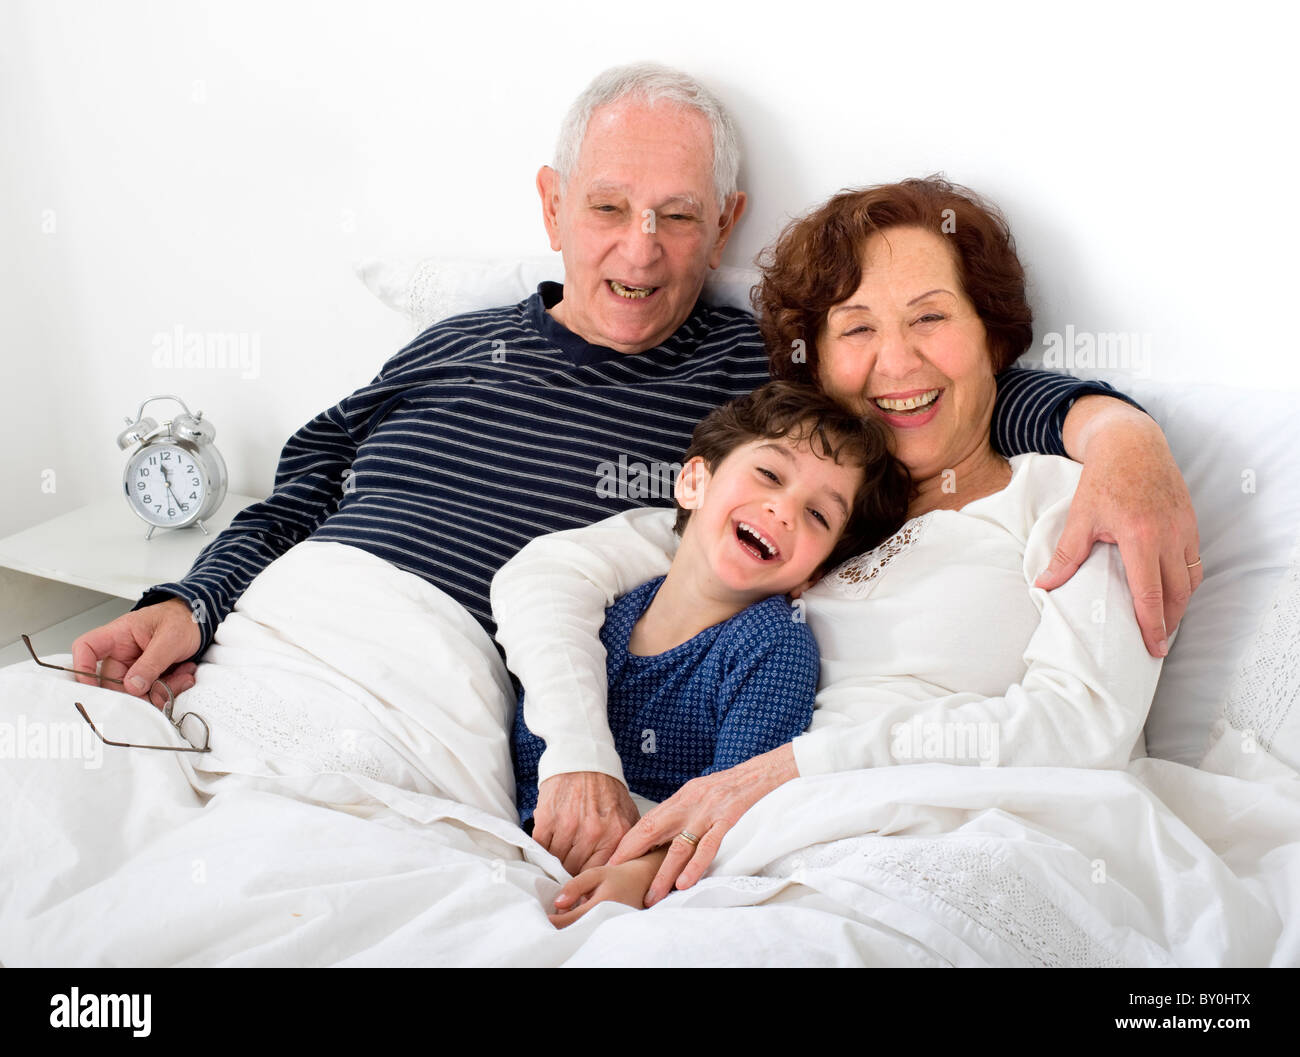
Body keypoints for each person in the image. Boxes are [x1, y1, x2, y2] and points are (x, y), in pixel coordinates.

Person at [69, 65, 1199, 872]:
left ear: (724, 225)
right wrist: (191, 596)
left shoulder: (760, 393)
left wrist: (1117, 432)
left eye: (676, 215)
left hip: (437, 697)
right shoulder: (452, 340)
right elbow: (309, 477)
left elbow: (929, 405)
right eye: (606, 207)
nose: (639, 247)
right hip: (264, 636)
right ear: (553, 204)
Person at [490, 177, 1173, 912]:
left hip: (945, 840)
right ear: (814, 359)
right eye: (856, 328)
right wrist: (580, 758)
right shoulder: (794, 515)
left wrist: (797, 767)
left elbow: (1084, 728)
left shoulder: (1068, 496)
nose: (898, 360)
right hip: (747, 849)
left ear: (992, 337)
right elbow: (550, 575)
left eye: (930, 317)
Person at [504, 381, 910, 924]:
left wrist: (636, 873)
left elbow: (730, 805)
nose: (783, 509)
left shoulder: (773, 648)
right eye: (769, 474)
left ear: (813, 573)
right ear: (694, 481)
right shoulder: (601, 616)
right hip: (516, 847)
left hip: (645, 881)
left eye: (818, 516)